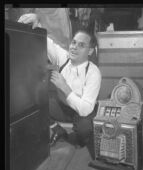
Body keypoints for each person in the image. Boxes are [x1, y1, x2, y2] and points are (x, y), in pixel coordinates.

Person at [18, 13, 102, 148]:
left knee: (83, 132)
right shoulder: (64, 58)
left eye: (81, 45)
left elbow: (85, 109)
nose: (74, 47)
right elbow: (48, 42)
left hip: (84, 112)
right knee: (36, 103)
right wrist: (36, 21)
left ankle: (83, 135)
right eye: (74, 42)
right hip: (64, 108)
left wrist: (65, 87)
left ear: (90, 51)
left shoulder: (93, 72)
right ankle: (59, 131)